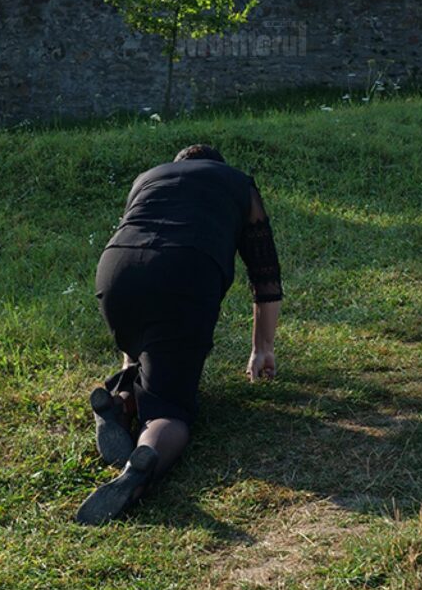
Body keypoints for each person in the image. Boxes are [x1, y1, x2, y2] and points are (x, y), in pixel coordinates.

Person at [75, 143, 283, 526]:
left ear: (176, 166)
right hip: (185, 273)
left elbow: (138, 233)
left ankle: (120, 403)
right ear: (215, 165)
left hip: (116, 270)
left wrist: (130, 364)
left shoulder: (147, 179)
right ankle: (141, 469)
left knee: (144, 351)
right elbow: (265, 276)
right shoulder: (237, 184)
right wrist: (261, 350)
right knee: (170, 409)